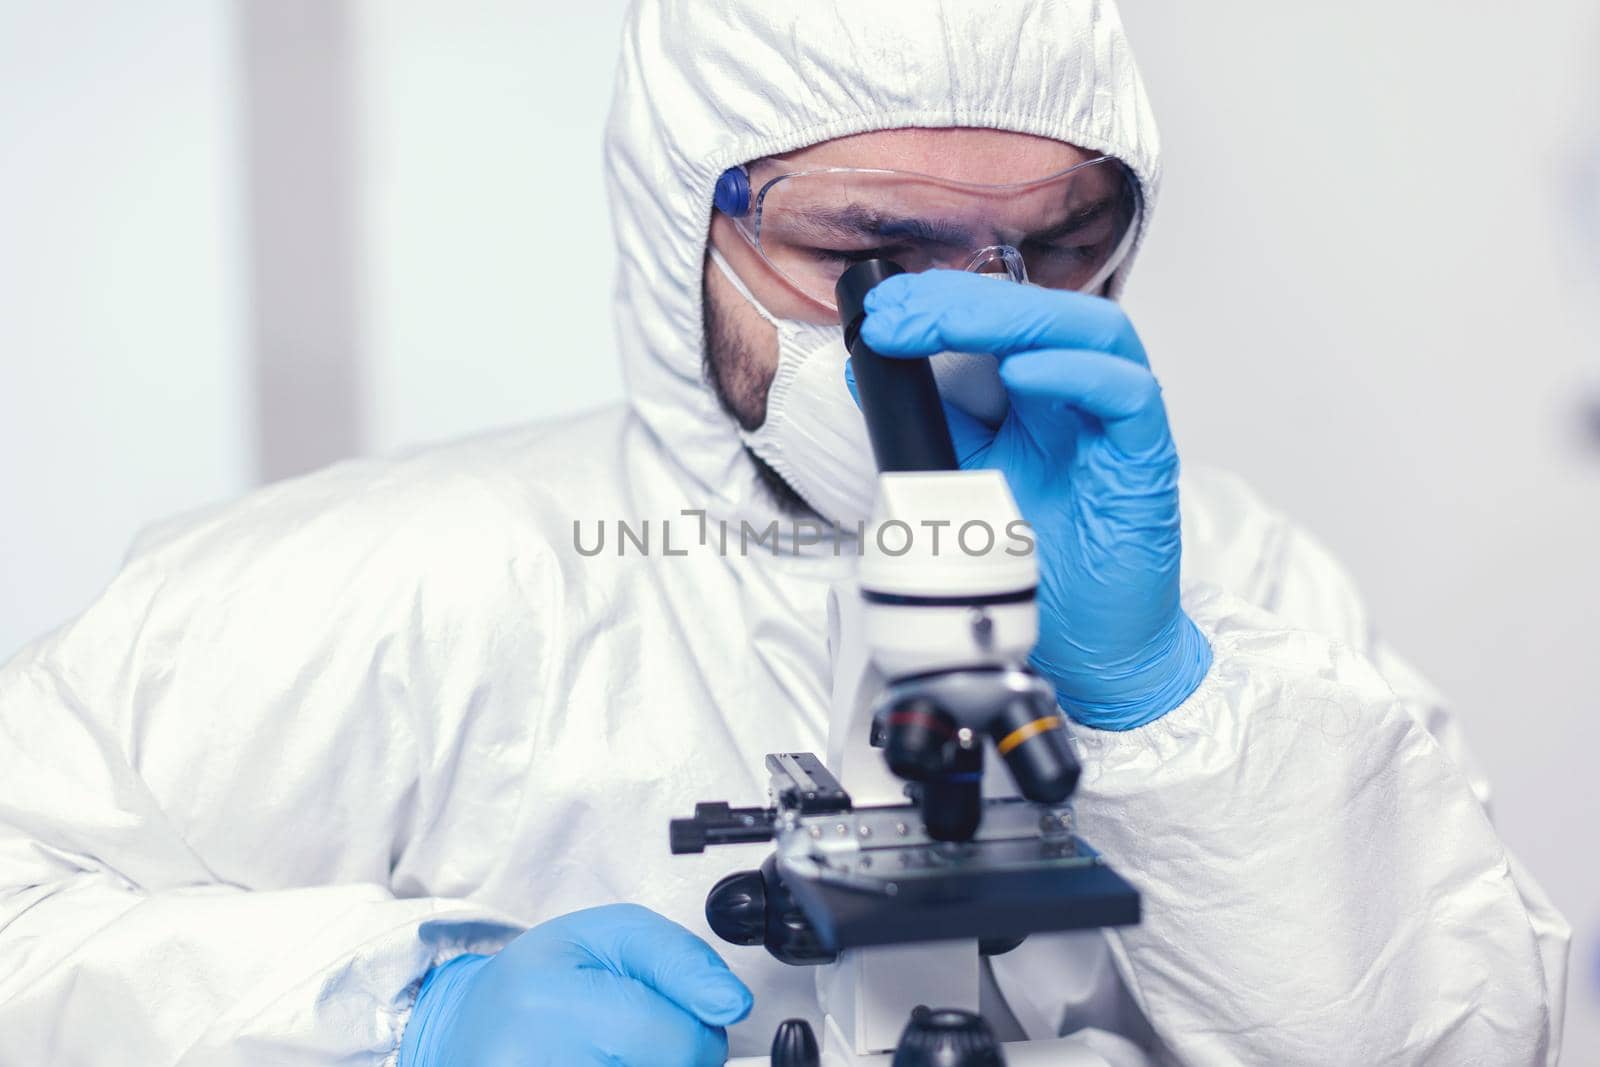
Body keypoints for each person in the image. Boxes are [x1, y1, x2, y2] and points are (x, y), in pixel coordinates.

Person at [0, 1, 1568, 1064]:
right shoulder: (390, 584)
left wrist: (1165, 700)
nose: (966, 329)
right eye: (873, 255)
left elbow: (1467, 1039)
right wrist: (388, 1016)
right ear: (682, 218)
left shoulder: (1235, 582)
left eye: (1054, 247)